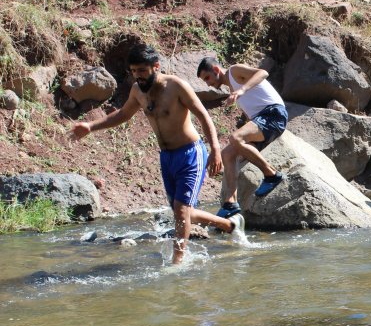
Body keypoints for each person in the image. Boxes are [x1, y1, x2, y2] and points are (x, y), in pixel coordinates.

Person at [70, 44, 245, 264]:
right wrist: (90, 126)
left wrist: (215, 150)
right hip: (167, 158)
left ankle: (177, 263)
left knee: (182, 212)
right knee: (182, 212)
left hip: (190, 154)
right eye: (133, 71)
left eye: (142, 71)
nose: (138, 76)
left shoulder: (176, 86)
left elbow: (203, 116)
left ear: (156, 66)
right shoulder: (137, 91)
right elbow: (123, 115)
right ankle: (229, 224)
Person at [197, 57, 288, 218]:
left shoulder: (234, 70)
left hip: (274, 114)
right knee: (227, 154)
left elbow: (263, 72)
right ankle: (230, 203)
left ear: (216, 70)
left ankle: (271, 175)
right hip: (262, 120)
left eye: (207, 78)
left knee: (235, 138)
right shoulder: (231, 86)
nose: (208, 84)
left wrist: (241, 90)